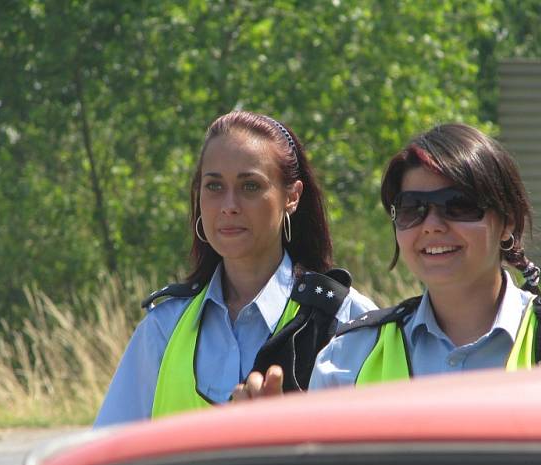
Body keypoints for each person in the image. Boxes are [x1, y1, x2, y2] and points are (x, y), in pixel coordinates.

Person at [308, 122, 541, 390]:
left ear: (508, 223)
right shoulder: (346, 361)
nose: (432, 225)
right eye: (413, 208)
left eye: (458, 205)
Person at [94, 110, 376, 426]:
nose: (229, 205)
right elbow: (108, 455)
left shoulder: (347, 322)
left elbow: (380, 461)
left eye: (250, 186)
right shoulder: (163, 328)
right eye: (214, 187)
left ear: (292, 197)